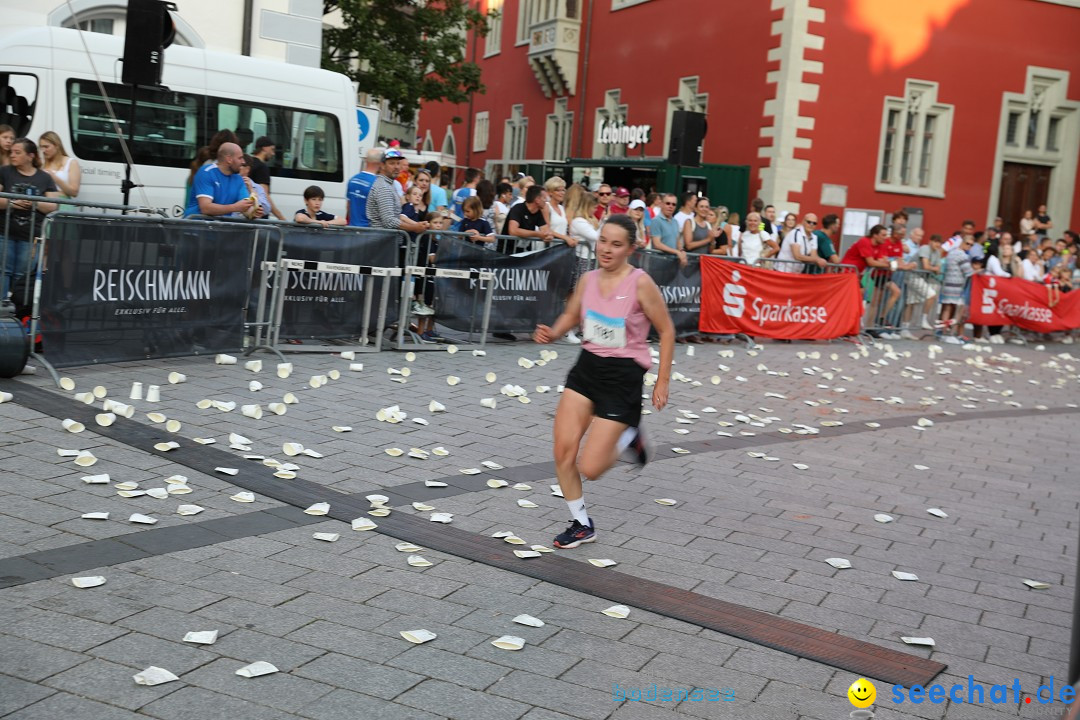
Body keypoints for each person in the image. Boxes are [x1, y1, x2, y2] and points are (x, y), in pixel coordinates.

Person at [533, 214, 675, 549]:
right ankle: (581, 524)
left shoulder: (640, 283)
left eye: (616, 244)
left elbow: (667, 330)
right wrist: (553, 332)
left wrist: (662, 381)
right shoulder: (588, 279)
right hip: (587, 369)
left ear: (631, 249)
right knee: (562, 452)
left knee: (591, 467)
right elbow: (572, 313)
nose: (606, 250)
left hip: (623, 376)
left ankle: (631, 442)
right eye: (603, 241)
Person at [0, 138, 60, 297]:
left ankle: (19, 308)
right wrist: (13, 203)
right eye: (11, 152)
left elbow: (53, 205)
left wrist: (33, 204)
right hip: (4, 232)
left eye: (17, 152)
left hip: (31, 235)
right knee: (3, 271)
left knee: (23, 273)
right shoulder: (4, 172)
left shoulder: (44, 178)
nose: (12, 155)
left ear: (30, 156)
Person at [367, 148, 429, 233]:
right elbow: (389, 221)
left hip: (385, 239)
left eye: (398, 163)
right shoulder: (384, 187)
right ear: (382, 165)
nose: (396, 167)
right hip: (382, 240)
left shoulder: (388, 184)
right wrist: (414, 228)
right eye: (392, 163)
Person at [184, 142, 252, 217]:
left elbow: (245, 207)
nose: (243, 162)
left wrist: (254, 212)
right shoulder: (206, 172)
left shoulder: (239, 179)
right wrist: (235, 207)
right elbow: (205, 208)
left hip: (219, 227)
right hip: (197, 225)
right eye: (240, 158)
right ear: (229, 159)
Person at [901, 233, 944, 336]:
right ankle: (923, 319)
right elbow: (926, 266)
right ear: (930, 241)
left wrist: (932, 268)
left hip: (920, 277)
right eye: (935, 242)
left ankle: (905, 328)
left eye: (939, 242)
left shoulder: (937, 252)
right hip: (913, 275)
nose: (937, 244)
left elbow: (938, 269)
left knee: (911, 302)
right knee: (931, 294)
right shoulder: (925, 248)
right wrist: (933, 268)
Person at [939, 234, 975, 344]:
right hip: (957, 286)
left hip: (947, 284)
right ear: (962, 242)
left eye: (971, 245)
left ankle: (944, 333)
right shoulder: (962, 256)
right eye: (967, 243)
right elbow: (968, 272)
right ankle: (951, 333)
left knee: (947, 309)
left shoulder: (951, 253)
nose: (969, 246)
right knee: (958, 311)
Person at [502, 185, 551, 251]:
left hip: (524, 252)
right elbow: (513, 231)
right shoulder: (518, 208)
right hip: (507, 251)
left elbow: (546, 231)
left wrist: (548, 235)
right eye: (544, 198)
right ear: (537, 200)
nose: (546, 201)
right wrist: (537, 234)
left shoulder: (538, 212)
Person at [249, 136, 285, 219]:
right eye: (272, 149)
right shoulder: (262, 167)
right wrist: (281, 217)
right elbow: (264, 195)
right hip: (259, 214)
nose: (273, 153)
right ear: (264, 148)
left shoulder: (248, 163)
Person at [648, 193, 687, 267]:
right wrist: (677, 252)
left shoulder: (675, 221)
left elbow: (677, 241)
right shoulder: (656, 221)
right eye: (668, 203)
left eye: (673, 204)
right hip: (658, 263)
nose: (670, 206)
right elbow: (657, 244)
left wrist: (682, 251)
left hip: (672, 263)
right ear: (661, 204)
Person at [38, 131, 80, 198]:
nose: (43, 150)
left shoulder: (71, 163)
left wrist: (54, 178)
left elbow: (74, 192)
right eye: (41, 147)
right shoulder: (41, 164)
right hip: (44, 204)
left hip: (63, 204)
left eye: (46, 147)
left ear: (57, 145)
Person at [346, 148, 382, 227]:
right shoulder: (377, 183)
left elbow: (348, 207)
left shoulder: (352, 180)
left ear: (366, 160)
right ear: (379, 163)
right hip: (368, 230)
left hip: (352, 228)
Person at [543, 176, 572, 249]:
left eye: (563, 190)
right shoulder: (546, 206)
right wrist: (565, 238)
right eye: (558, 190)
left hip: (559, 248)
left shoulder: (562, 208)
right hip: (546, 248)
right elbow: (546, 229)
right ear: (550, 192)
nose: (562, 193)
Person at [237, 154, 268, 219]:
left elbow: (266, 209)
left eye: (241, 165)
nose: (237, 167)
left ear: (247, 169)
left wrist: (251, 190)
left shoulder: (257, 187)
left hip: (249, 227)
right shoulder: (229, 182)